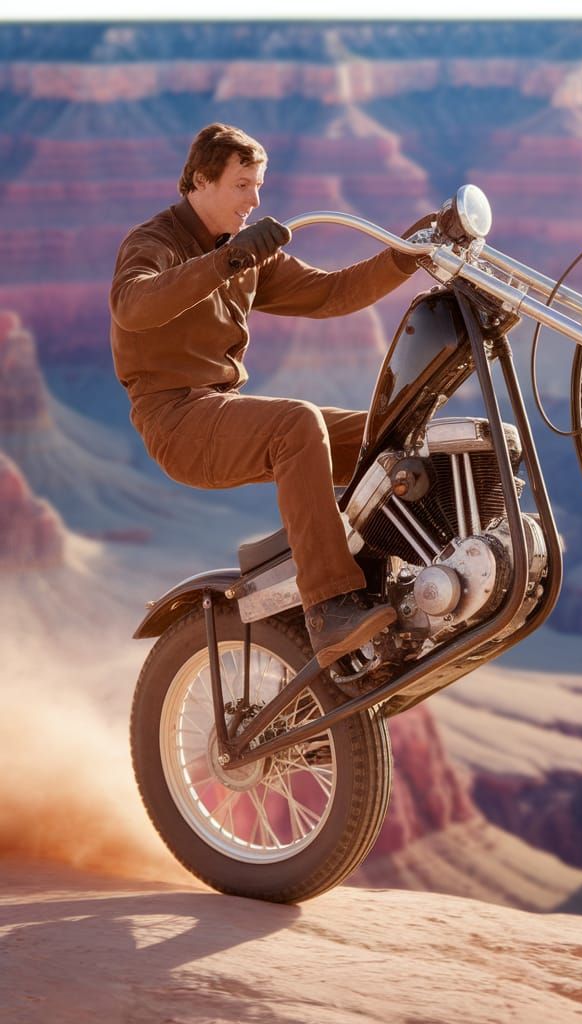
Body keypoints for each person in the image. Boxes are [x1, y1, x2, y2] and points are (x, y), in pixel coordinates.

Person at [110, 122, 422, 667]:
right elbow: (133, 307)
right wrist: (229, 261)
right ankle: (329, 605)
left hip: (220, 411)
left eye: (259, 186)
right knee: (297, 423)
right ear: (200, 182)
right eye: (241, 185)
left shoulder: (246, 251)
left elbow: (332, 293)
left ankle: (408, 581)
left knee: (390, 430)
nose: (255, 200)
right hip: (176, 423)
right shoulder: (152, 243)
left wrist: (408, 252)